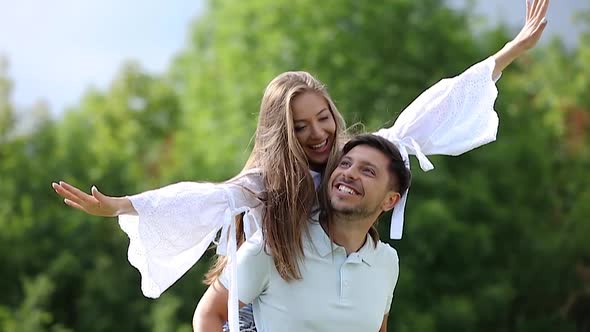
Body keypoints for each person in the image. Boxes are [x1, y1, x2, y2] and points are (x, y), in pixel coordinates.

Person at [51, 1, 549, 329]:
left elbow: (425, 116)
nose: (317, 134)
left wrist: (506, 55)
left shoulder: (353, 165)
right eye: (300, 127)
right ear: (281, 133)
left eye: (323, 118)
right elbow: (206, 198)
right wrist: (123, 205)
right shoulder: (265, 186)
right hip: (268, 288)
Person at [194, 134, 411, 332]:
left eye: (368, 171)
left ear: (390, 200)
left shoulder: (387, 262)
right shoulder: (275, 245)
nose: (349, 173)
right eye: (345, 163)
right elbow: (209, 314)